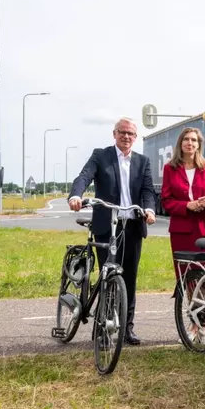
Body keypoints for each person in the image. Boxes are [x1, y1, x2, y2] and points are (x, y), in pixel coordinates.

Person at [68, 117, 156, 346]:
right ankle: (103, 329)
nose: (126, 136)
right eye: (122, 132)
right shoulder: (101, 155)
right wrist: (76, 195)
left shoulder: (142, 161)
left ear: (135, 138)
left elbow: (148, 190)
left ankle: (127, 329)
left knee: (129, 279)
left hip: (133, 226)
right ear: (114, 134)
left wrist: (149, 209)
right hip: (107, 227)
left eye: (131, 134)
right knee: (108, 276)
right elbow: (84, 176)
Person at [161, 127, 205, 277]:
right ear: (180, 143)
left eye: (194, 140)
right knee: (185, 273)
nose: (190, 143)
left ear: (199, 144)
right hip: (181, 231)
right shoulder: (169, 169)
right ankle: (187, 300)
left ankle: (202, 300)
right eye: (186, 139)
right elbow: (166, 201)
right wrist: (187, 205)